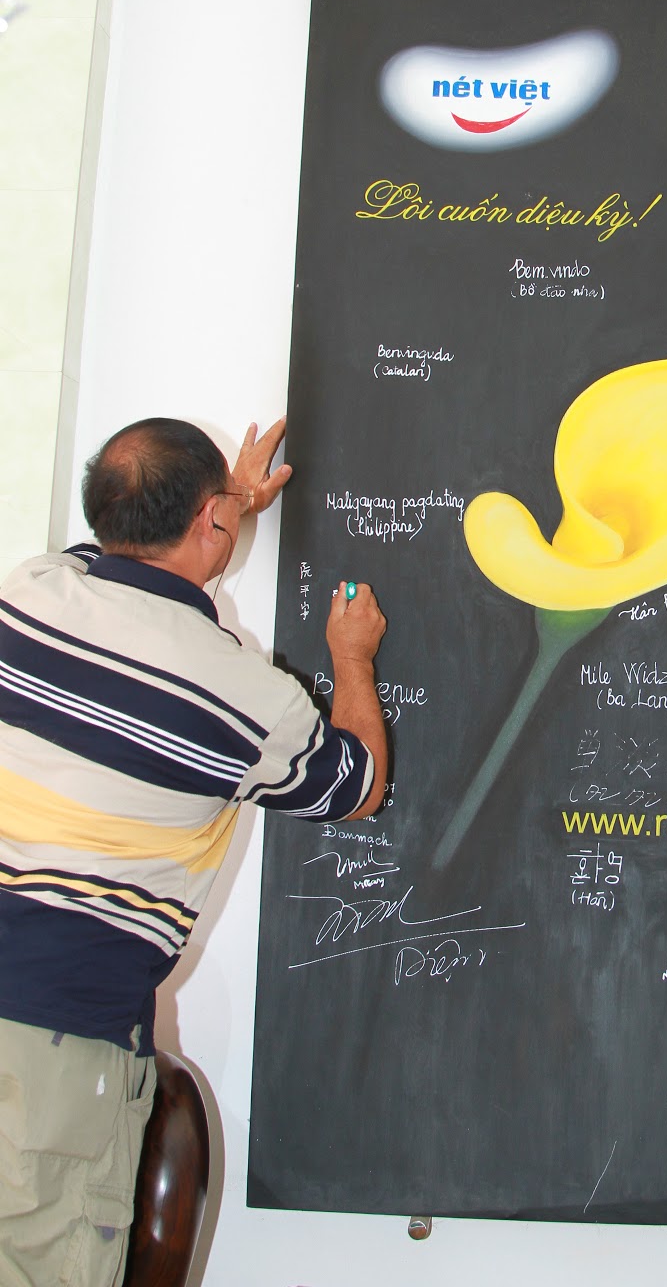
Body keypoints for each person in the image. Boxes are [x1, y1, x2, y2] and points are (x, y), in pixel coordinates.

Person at [0, 416, 387, 1287]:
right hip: (55, 1037)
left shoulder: (30, 593)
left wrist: (223, 508)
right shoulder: (238, 695)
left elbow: (108, 560)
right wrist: (351, 658)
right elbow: (357, 786)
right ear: (212, 517)